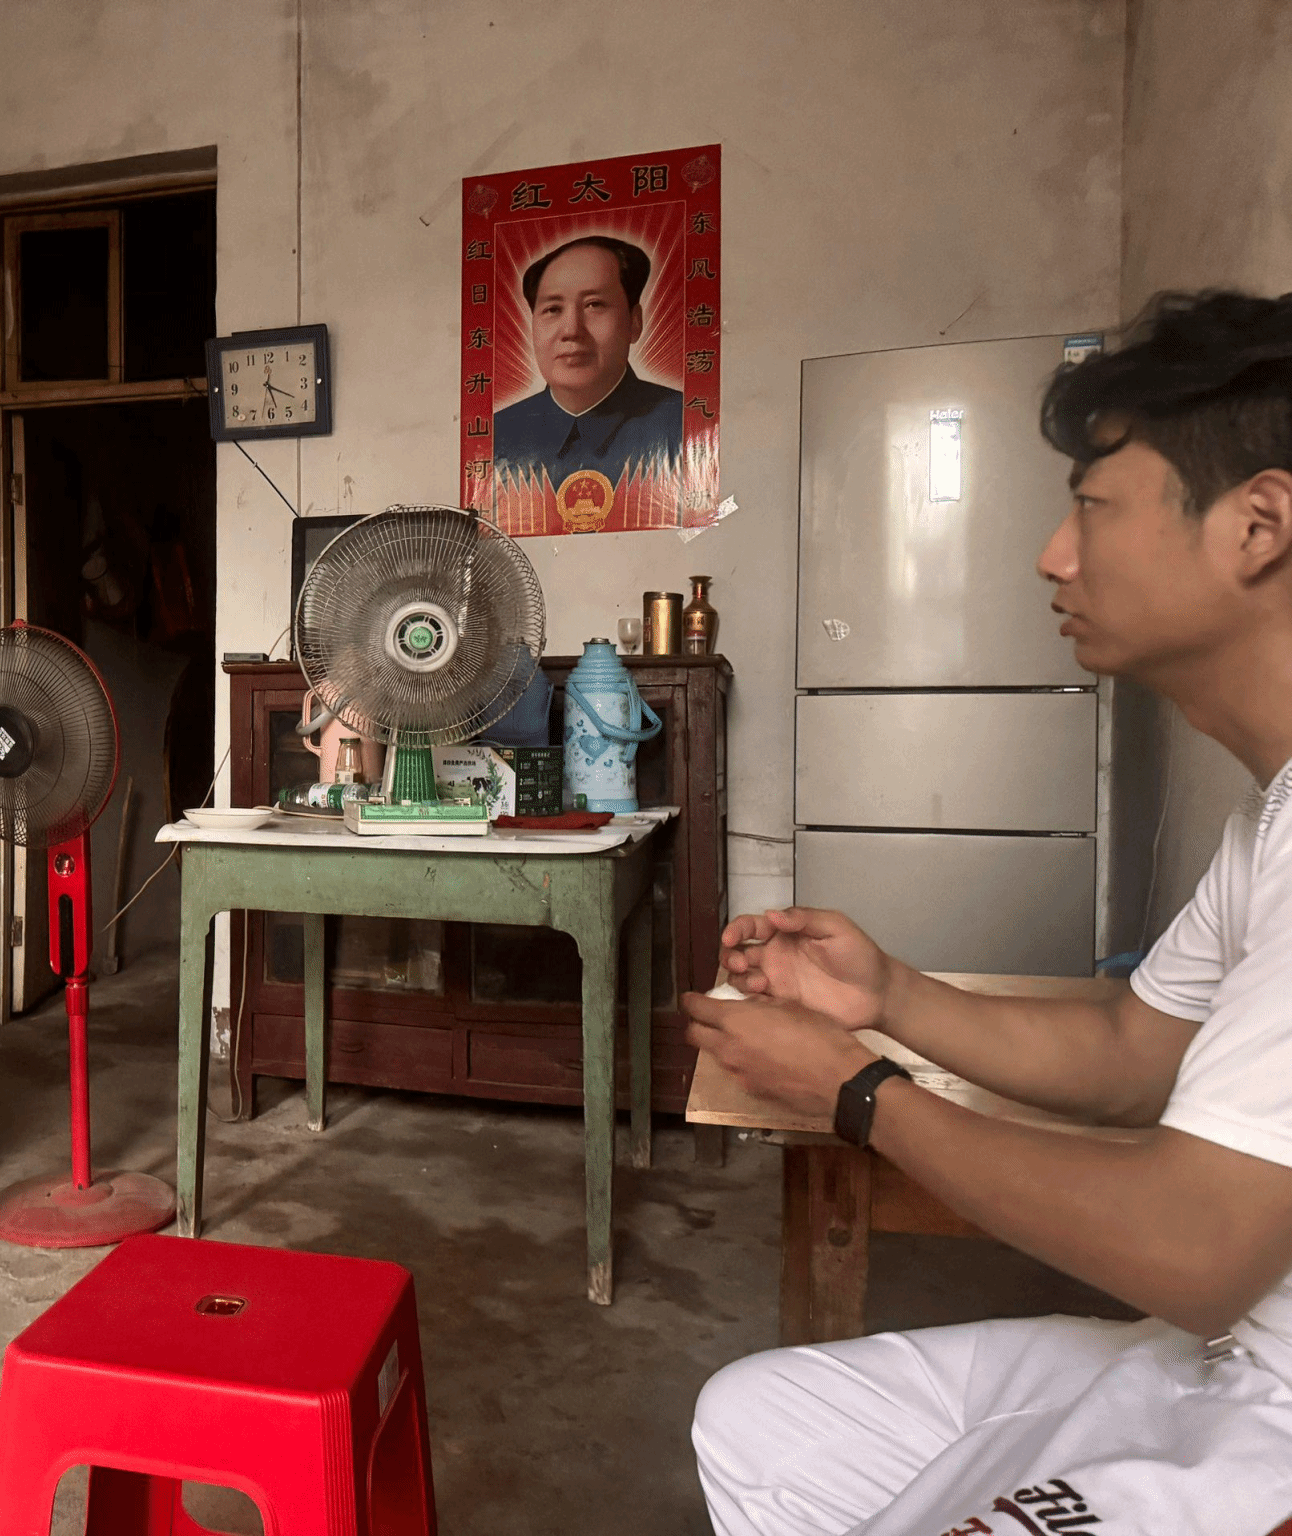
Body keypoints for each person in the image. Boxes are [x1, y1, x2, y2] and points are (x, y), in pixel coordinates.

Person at [686, 291, 1292, 1531]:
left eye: (1092, 504)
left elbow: (1193, 1250)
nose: (1050, 556)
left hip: (1267, 1402)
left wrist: (857, 1094)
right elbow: (1130, 1052)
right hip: (1232, 1351)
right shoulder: (1265, 822)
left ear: (1256, 525)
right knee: (759, 1422)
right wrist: (889, 996)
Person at [491, 235, 683, 490]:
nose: (572, 330)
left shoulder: (685, 424)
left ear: (634, 322)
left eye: (594, 305)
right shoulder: (495, 436)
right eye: (553, 309)